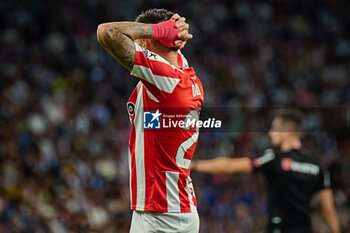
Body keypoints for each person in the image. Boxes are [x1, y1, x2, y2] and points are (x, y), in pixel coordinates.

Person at [97, 9, 204, 233]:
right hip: (181, 208)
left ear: (146, 41)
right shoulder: (185, 75)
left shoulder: (166, 80)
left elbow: (107, 32)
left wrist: (156, 30)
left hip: (160, 215)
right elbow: (155, 127)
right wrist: (176, 31)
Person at [191, 109, 340, 233]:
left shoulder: (273, 158)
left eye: (274, 128)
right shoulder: (316, 165)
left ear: (287, 131)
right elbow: (329, 210)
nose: (270, 133)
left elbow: (232, 166)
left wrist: (195, 165)